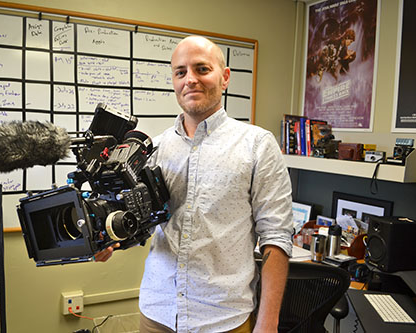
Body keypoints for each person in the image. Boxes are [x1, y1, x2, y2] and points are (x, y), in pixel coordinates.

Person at [95, 35, 294, 333]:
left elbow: (276, 236)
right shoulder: (155, 149)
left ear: (224, 78)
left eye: (202, 69)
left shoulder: (257, 146)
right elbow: (144, 220)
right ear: (174, 81)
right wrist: (109, 238)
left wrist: (267, 322)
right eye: (181, 72)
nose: (190, 79)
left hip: (223, 318)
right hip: (157, 313)